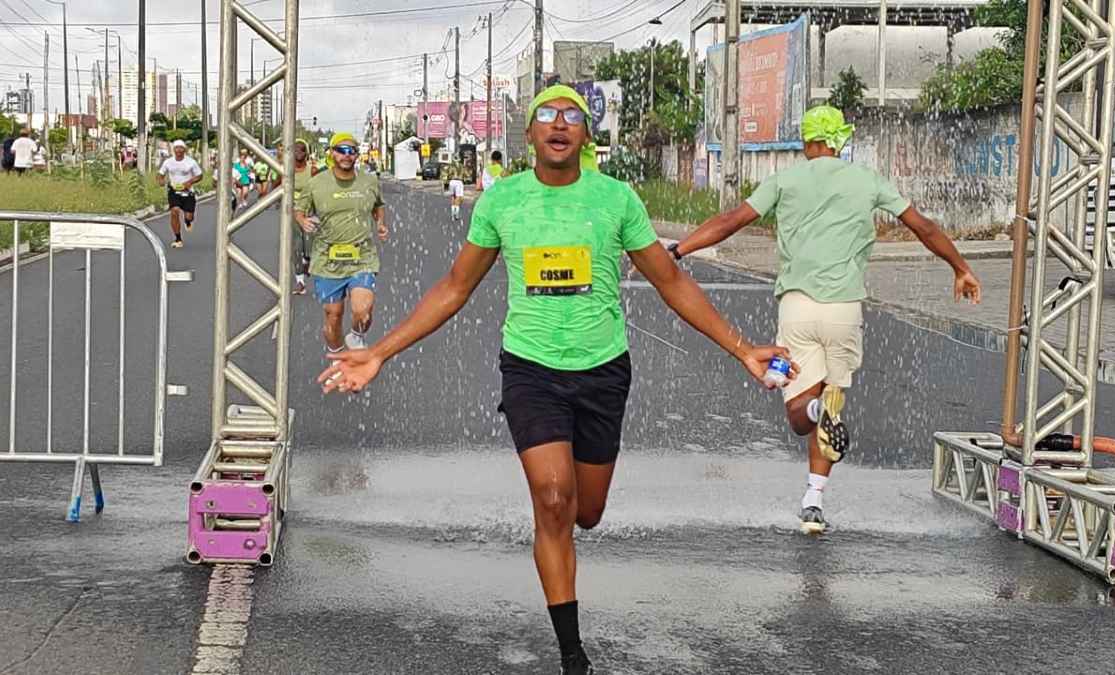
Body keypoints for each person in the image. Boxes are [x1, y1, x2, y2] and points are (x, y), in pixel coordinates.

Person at [316, 85, 793, 675]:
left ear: (586, 134)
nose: (560, 124)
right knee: (551, 499)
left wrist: (742, 349)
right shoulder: (503, 201)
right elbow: (454, 288)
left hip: (602, 372)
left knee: (585, 512)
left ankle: (568, 541)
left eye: (573, 116)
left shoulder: (616, 200)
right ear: (531, 133)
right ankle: (573, 655)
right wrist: (381, 351)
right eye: (547, 115)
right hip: (530, 370)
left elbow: (671, 282)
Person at [673, 105, 982, 535]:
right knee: (832, 401)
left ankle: (817, 412)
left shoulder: (785, 179)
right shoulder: (867, 180)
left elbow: (731, 221)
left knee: (800, 415)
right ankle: (813, 500)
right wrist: (960, 267)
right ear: (841, 141)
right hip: (844, 310)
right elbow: (923, 226)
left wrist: (678, 250)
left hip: (797, 308)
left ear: (805, 142)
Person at [294, 132, 388, 352]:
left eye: (352, 151)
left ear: (357, 155)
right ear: (332, 153)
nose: (347, 155)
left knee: (363, 310)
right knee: (334, 316)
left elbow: (378, 205)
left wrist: (381, 223)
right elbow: (299, 209)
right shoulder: (316, 183)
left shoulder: (369, 180)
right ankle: (337, 357)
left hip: (362, 256)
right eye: (341, 150)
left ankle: (356, 336)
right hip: (328, 259)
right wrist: (302, 220)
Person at [156, 140, 203, 249]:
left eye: (181, 148)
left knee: (188, 216)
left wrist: (190, 182)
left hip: (188, 192)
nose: (178, 150)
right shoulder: (168, 162)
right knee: (174, 211)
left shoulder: (191, 162)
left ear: (184, 150)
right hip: (174, 191)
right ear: (174, 150)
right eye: (176, 148)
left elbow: (200, 175)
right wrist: (160, 180)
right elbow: (160, 174)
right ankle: (178, 239)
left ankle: (188, 221)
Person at [290, 140, 319, 295]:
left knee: (309, 248)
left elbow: (320, 190)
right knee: (296, 247)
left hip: (309, 213)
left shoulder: (312, 170)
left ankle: (307, 263)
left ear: (306, 153)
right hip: (293, 212)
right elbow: (277, 185)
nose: (298, 153)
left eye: (301, 150)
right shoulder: (288, 170)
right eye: (295, 150)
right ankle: (300, 282)